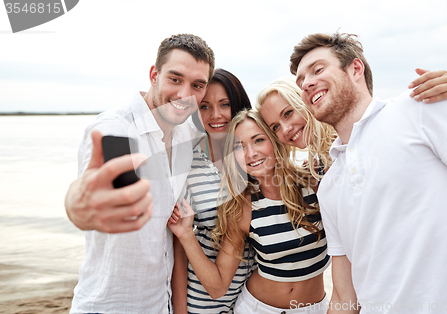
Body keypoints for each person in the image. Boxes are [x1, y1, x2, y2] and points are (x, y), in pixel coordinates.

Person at [290, 32, 447, 313]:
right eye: (300, 81)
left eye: (317, 69)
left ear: (355, 69)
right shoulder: (328, 188)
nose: (307, 83)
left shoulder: (422, 105)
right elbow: (344, 297)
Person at [65, 34, 215, 313]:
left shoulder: (188, 133)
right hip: (108, 305)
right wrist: (80, 206)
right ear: (154, 75)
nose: (185, 94)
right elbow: (96, 191)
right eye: (175, 79)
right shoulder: (116, 128)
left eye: (197, 85)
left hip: (161, 303)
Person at [169, 109, 331, 314]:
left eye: (258, 140)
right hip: (257, 308)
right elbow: (217, 287)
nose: (251, 153)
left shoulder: (314, 183)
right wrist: (186, 235)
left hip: (315, 308)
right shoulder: (243, 208)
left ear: (274, 140)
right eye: (239, 146)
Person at [256, 71, 447, 179]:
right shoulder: (315, 170)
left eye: (288, 113)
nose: (285, 129)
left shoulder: (358, 132)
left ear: (304, 102)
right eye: (274, 127)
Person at [170, 68, 255, 314]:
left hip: (250, 296)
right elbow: (180, 241)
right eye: (205, 106)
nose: (215, 115)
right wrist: (180, 310)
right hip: (203, 296)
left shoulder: (256, 153)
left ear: (238, 104)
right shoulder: (189, 158)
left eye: (224, 104)